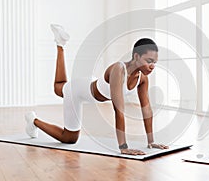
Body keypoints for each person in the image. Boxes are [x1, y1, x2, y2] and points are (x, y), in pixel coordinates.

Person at [25, 24, 168, 155]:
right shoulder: (119, 69)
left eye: (155, 62)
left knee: (60, 87)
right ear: (136, 56)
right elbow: (119, 110)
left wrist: (151, 141)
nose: (152, 66)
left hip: (91, 84)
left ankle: (60, 43)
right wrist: (123, 147)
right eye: (149, 61)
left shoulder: (142, 78)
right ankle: (33, 120)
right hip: (80, 91)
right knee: (69, 137)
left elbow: (146, 109)